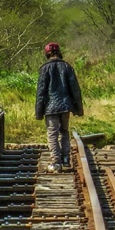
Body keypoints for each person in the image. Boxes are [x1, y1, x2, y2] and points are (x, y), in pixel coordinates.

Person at [35, 42, 84, 173]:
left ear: (47, 54)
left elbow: (41, 92)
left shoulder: (44, 69)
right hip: (65, 106)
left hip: (50, 107)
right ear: (59, 52)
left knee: (52, 134)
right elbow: (75, 89)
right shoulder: (67, 67)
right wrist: (78, 108)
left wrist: (39, 112)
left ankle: (56, 163)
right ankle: (66, 159)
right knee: (64, 131)